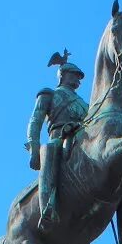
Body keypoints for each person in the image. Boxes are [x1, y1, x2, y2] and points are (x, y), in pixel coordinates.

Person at [26, 51, 88, 231]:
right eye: (74, 75)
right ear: (62, 75)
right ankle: (47, 207)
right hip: (58, 137)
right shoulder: (48, 95)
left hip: (81, 139)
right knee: (51, 149)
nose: (78, 79)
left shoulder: (85, 104)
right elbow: (35, 122)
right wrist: (34, 149)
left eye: (79, 76)